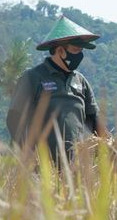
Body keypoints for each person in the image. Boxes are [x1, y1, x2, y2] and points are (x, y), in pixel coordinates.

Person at [6, 16, 104, 165]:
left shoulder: (81, 81)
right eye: (76, 50)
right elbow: (14, 118)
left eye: (81, 51)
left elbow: (93, 120)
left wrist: (109, 146)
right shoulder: (33, 78)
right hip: (42, 167)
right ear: (60, 51)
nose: (80, 55)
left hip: (75, 167)